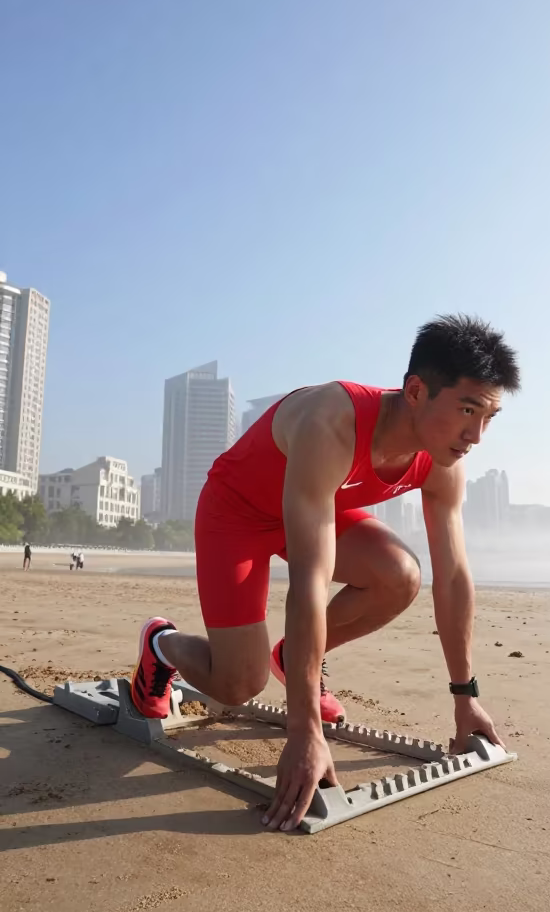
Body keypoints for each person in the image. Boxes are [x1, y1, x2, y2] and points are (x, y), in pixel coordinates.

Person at [131, 315, 520, 831]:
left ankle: (292, 658)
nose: (476, 435)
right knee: (238, 683)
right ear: (416, 391)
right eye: (467, 410)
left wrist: (465, 698)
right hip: (238, 513)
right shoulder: (332, 420)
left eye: (490, 416)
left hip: (316, 509)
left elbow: (452, 577)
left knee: (402, 575)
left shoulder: (444, 460)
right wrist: (304, 730)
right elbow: (311, 579)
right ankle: (162, 643)